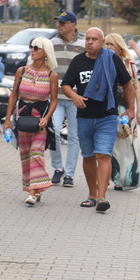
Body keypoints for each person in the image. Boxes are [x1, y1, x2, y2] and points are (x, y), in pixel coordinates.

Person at [62, 27, 135, 213]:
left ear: (102, 42)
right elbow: (66, 85)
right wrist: (74, 97)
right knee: (88, 156)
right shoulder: (78, 61)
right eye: (87, 38)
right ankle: (92, 195)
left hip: (107, 116)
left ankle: (102, 197)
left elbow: (127, 84)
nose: (90, 42)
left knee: (103, 155)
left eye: (94, 39)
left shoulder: (111, 59)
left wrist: (131, 109)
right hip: (84, 117)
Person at [2, 37, 58, 206]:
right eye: (31, 47)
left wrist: (47, 118)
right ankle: (35, 188)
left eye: (36, 48)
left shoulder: (51, 75)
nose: (32, 50)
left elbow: (54, 100)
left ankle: (32, 194)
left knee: (36, 153)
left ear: (45, 52)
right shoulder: (22, 71)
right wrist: (7, 120)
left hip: (40, 120)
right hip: (23, 118)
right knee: (25, 155)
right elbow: (14, 96)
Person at [50, 10, 86, 187]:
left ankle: (70, 174)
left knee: (74, 137)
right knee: (54, 131)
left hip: (75, 98)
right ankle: (58, 168)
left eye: (63, 23)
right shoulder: (52, 43)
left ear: (73, 25)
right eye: (59, 23)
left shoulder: (84, 44)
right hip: (55, 97)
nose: (59, 26)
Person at [105, 33, 140, 191]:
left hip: (126, 110)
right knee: (109, 145)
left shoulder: (129, 65)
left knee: (127, 145)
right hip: (108, 110)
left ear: (119, 47)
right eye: (106, 44)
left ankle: (126, 178)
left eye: (111, 44)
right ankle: (110, 176)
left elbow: (136, 88)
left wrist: (138, 109)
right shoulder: (102, 62)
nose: (108, 47)